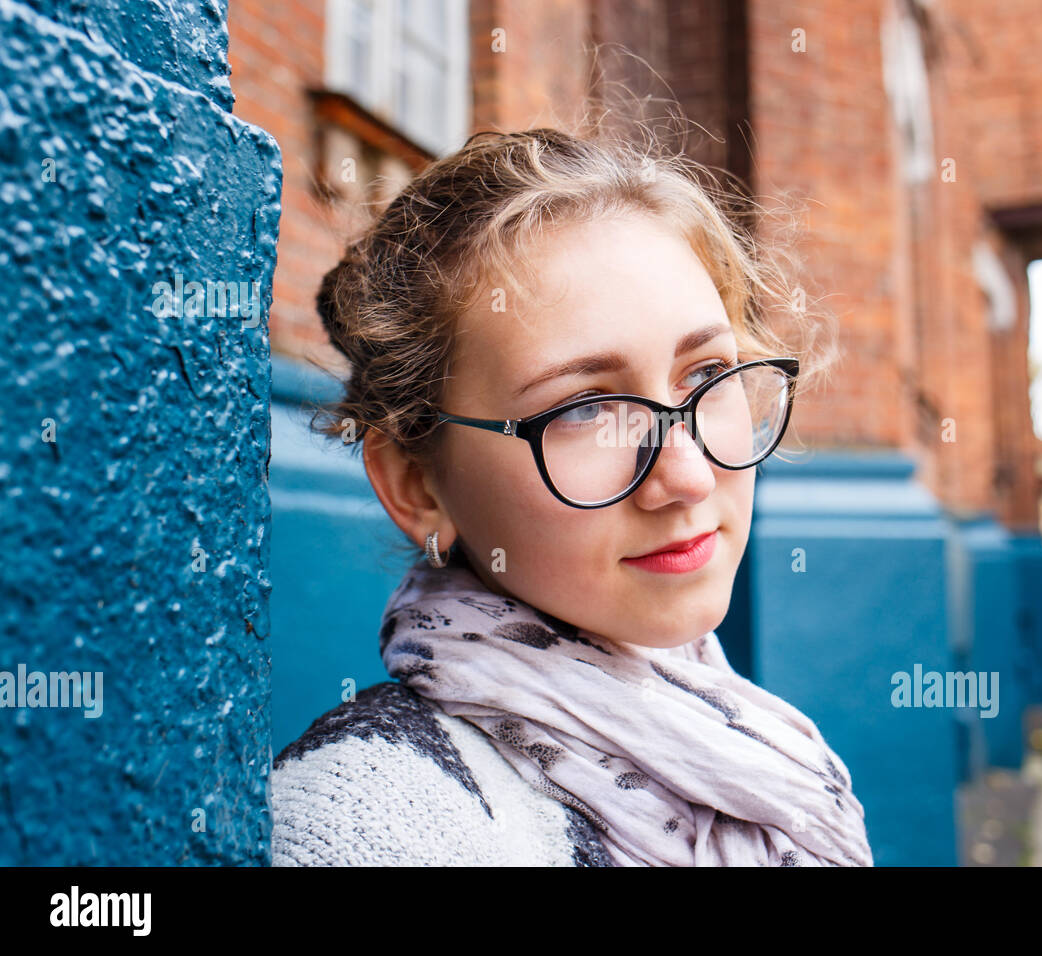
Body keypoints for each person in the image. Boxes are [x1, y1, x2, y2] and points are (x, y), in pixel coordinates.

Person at [269, 125, 873, 866]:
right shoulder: (379, 817)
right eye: (583, 409)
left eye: (704, 375)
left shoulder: (761, 749)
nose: (686, 476)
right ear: (416, 483)